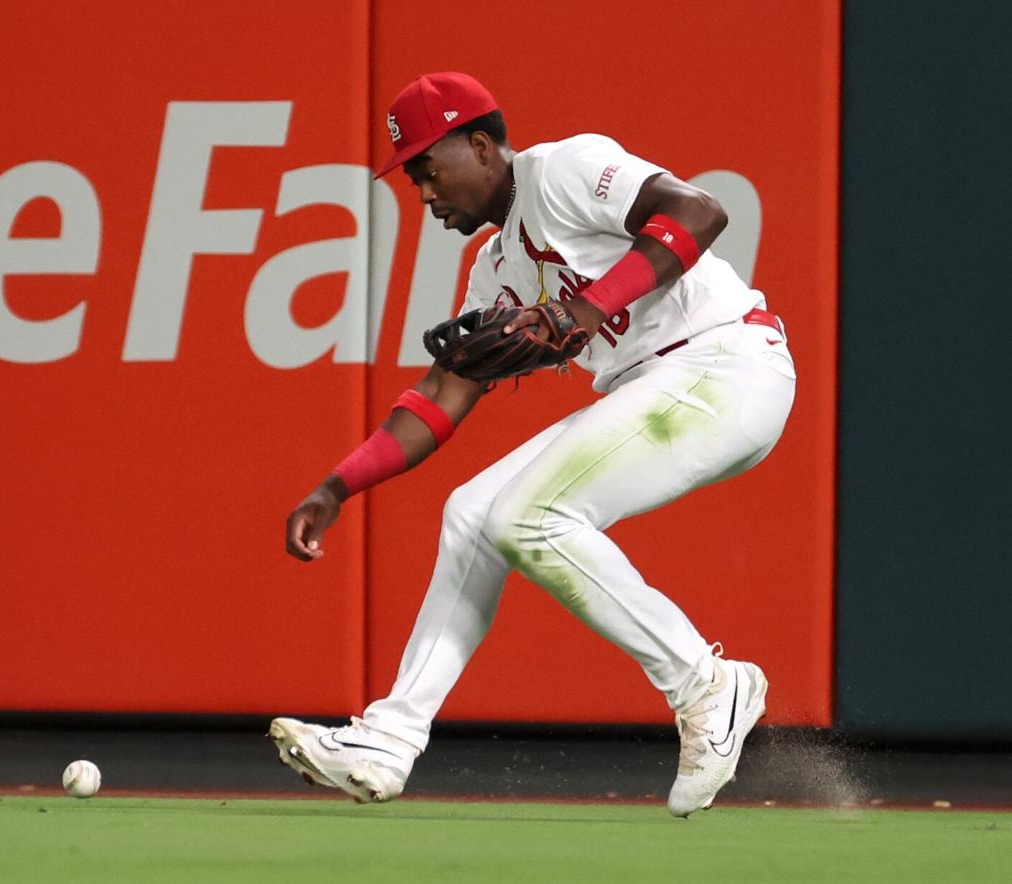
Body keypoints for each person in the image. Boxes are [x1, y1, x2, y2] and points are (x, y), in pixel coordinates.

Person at [270, 72, 796, 817]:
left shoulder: (561, 171)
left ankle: (707, 685)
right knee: (474, 514)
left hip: (726, 363)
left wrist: (581, 309)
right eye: (412, 174)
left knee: (529, 518)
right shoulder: (494, 269)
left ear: (481, 146)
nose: (422, 191)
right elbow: (440, 396)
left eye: (428, 166)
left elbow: (700, 212)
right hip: (663, 385)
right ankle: (390, 739)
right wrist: (337, 486)